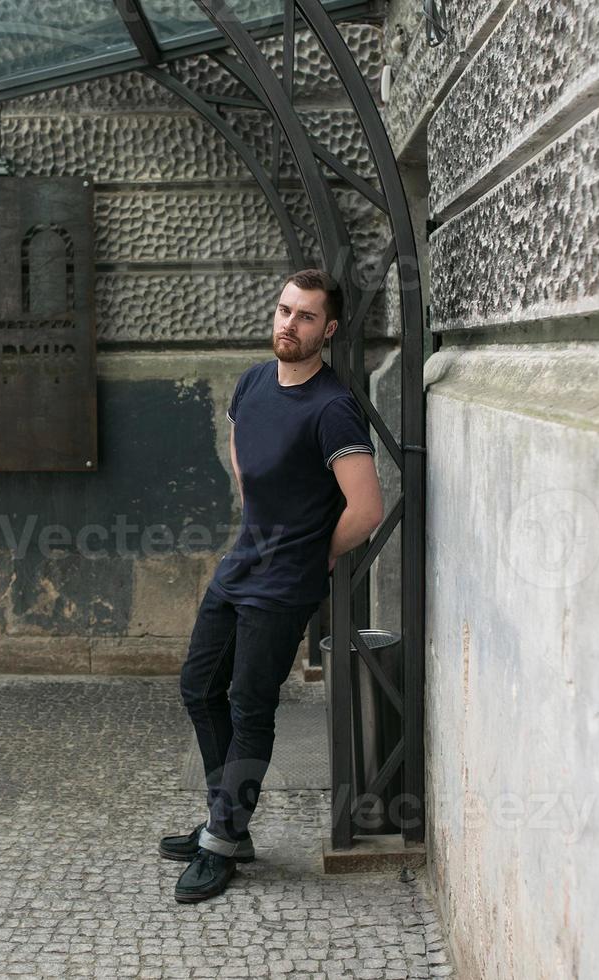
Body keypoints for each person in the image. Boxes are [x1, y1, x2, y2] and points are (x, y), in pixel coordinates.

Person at [160, 268, 383, 904]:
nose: (290, 324)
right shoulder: (254, 381)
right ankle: (224, 819)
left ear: (328, 330)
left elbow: (365, 508)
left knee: (249, 707)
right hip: (241, 566)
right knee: (199, 687)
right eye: (285, 311)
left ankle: (224, 841)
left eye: (307, 316)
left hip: (285, 584)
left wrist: (314, 555)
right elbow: (243, 457)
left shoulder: (334, 408)